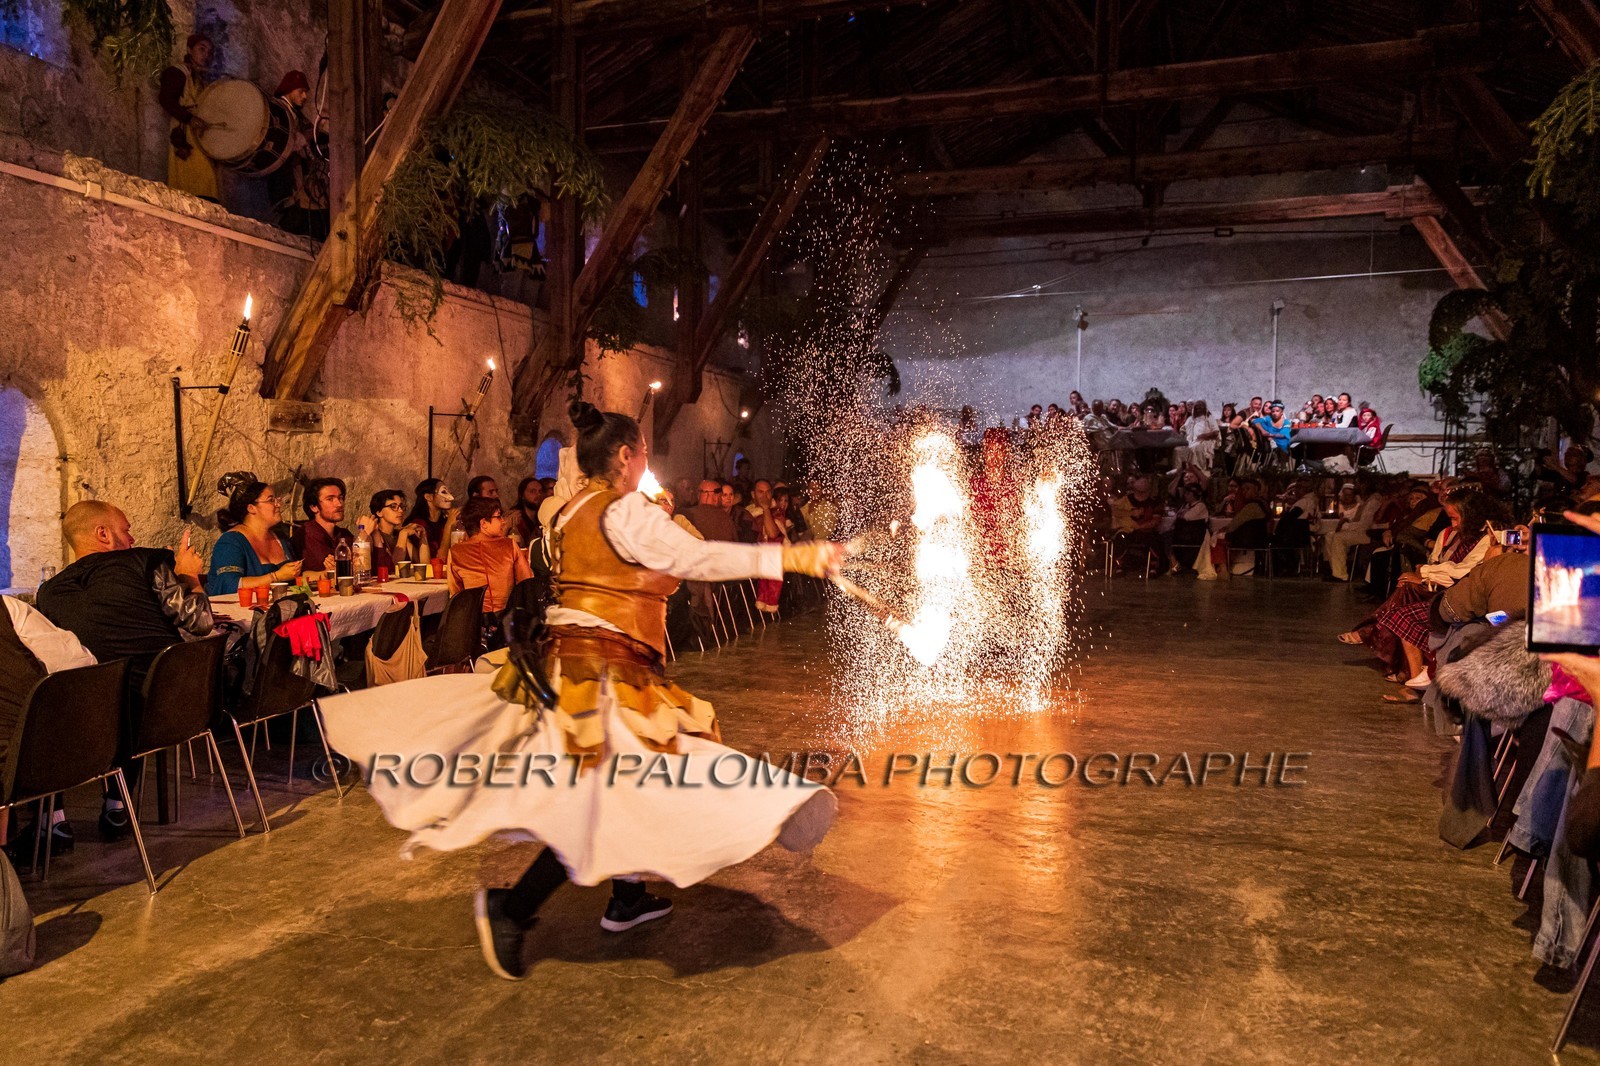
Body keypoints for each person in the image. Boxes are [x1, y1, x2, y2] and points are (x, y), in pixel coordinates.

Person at [316, 400, 843, 980]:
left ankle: (626, 895)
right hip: (604, 677)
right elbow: (698, 558)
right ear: (626, 456)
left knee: (624, 783)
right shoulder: (627, 513)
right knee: (598, 796)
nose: (646, 462)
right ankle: (512, 909)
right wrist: (799, 555)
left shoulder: (566, 512)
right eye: (643, 452)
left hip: (580, 668)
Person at [36, 500, 213, 844]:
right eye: (127, 529)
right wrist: (189, 575)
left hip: (89, 725)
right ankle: (118, 804)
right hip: (169, 709)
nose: (132, 538)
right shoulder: (143, 562)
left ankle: (53, 818)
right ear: (103, 533)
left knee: (52, 699)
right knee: (130, 680)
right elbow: (200, 622)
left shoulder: (48, 592)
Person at [446, 497, 534, 620]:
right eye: (498, 516)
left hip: (472, 620)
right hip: (506, 619)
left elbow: (456, 593)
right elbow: (526, 581)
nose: (503, 521)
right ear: (483, 524)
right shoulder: (509, 545)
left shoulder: (456, 551)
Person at [206, 482, 302, 595]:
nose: (278, 504)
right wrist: (276, 576)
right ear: (251, 508)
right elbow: (229, 585)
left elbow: (296, 577)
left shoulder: (279, 538)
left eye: (276, 499)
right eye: (271, 500)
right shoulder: (230, 542)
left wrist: (323, 573)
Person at [266, 70, 329, 238]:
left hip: (297, 175)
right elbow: (288, 140)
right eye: (300, 91)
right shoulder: (278, 110)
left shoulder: (296, 114)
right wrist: (316, 128)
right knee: (293, 212)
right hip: (284, 175)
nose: (305, 96)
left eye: (306, 92)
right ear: (289, 89)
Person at [158, 35, 219, 201]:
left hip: (201, 135)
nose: (206, 55)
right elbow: (166, 100)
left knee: (208, 179)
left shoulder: (201, 80)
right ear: (189, 50)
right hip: (186, 134)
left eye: (209, 52)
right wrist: (189, 118)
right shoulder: (177, 72)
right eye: (201, 49)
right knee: (192, 179)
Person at [1321, 483, 1383, 582]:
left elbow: (1365, 524)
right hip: (1358, 528)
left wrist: (1345, 526)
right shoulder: (1365, 501)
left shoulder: (1373, 501)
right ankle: (1334, 569)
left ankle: (1341, 575)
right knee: (1329, 536)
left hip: (1368, 533)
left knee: (1338, 537)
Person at [294, 477, 355, 574]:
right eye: (330, 499)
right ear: (314, 507)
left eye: (340, 498)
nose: (339, 504)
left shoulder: (344, 535)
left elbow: (364, 565)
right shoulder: (306, 535)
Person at [358, 489, 420, 571]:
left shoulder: (399, 534)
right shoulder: (372, 535)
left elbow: (421, 564)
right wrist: (403, 535)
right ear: (379, 512)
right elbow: (393, 569)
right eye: (393, 507)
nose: (400, 510)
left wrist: (423, 538)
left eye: (401, 506)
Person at [404, 478, 455, 558]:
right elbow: (436, 559)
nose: (451, 497)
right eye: (444, 492)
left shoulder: (443, 520)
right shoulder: (418, 524)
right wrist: (449, 525)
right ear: (428, 497)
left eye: (450, 492)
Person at [510, 477, 545, 547]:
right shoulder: (515, 516)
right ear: (522, 495)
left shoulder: (544, 516)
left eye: (540, 491)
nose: (538, 495)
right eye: (533, 491)